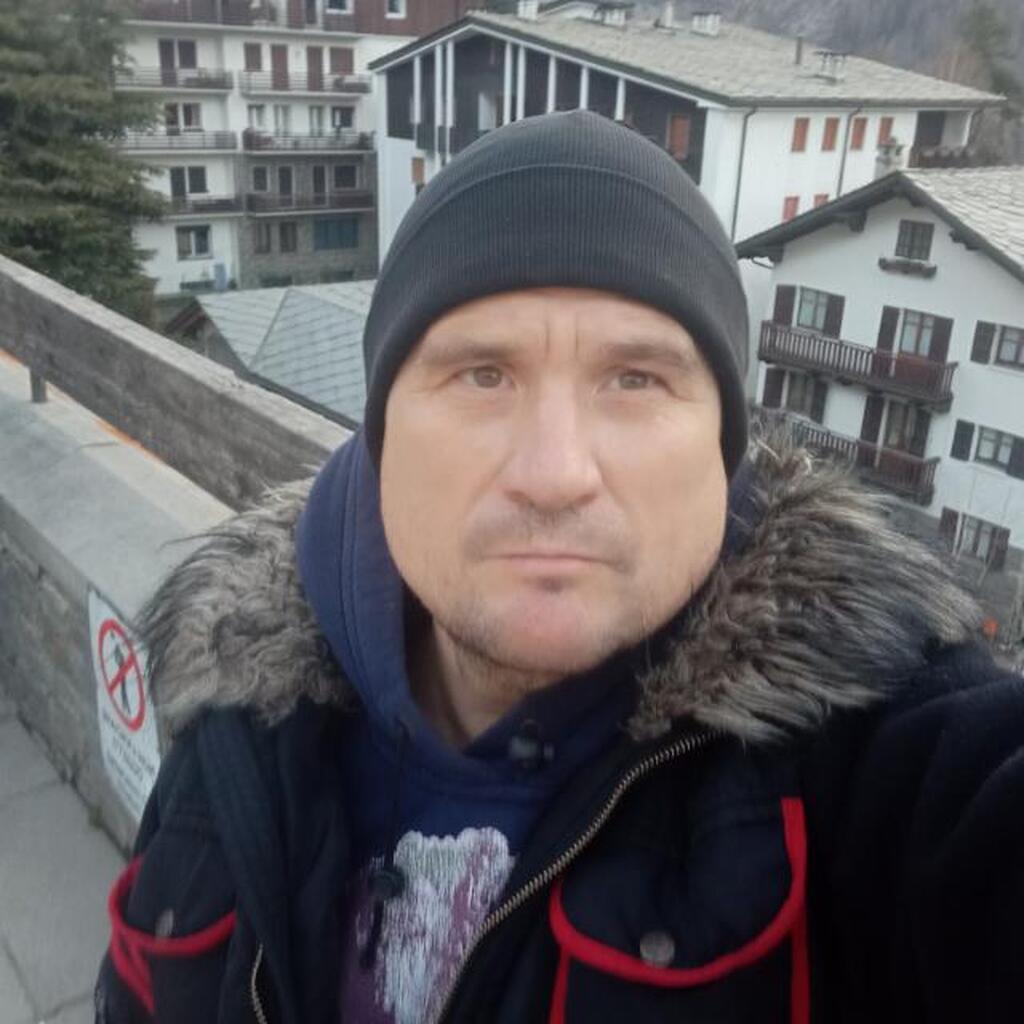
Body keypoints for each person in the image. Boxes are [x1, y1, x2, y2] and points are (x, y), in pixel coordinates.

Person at [95, 111, 1024, 1024]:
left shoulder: (873, 771)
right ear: (381, 439)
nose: (554, 474)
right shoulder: (238, 717)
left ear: (725, 453)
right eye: (482, 375)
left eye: (635, 379)